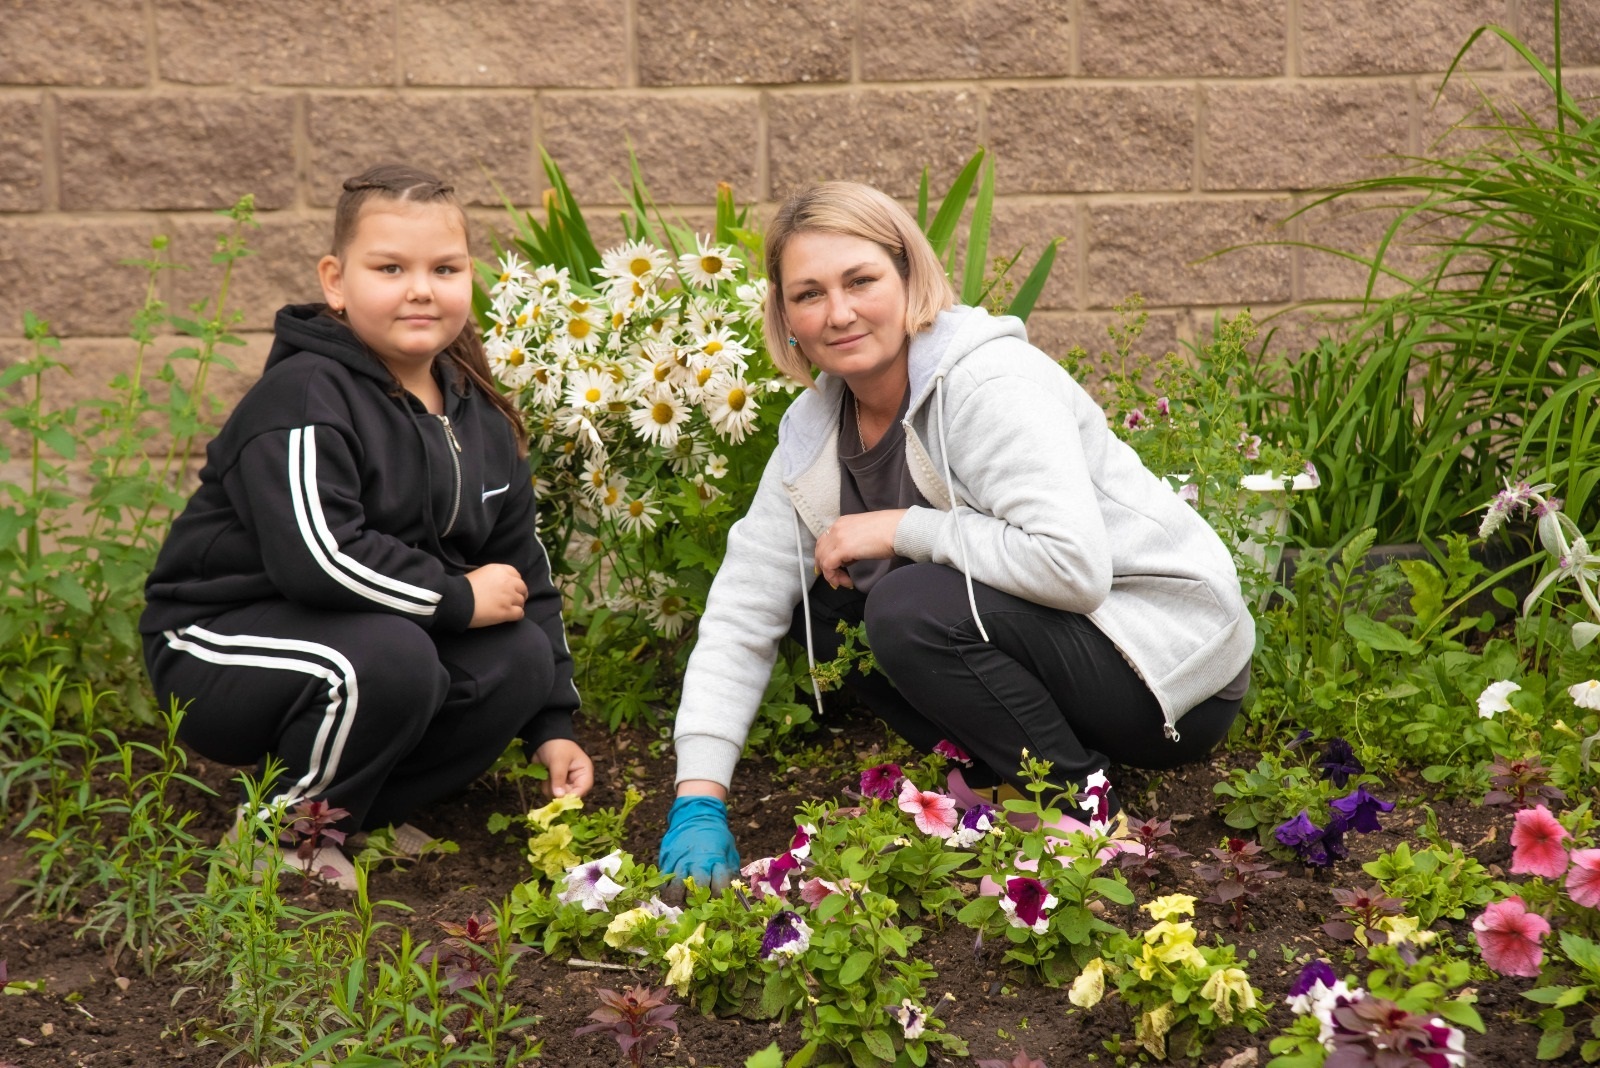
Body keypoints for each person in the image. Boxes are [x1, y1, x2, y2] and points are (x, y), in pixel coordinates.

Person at [658, 181, 1253, 890]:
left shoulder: (987, 383)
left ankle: (1076, 808)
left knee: (906, 601)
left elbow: (1074, 569)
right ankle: (1001, 777)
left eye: (861, 280)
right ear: (784, 315)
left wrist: (903, 527)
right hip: (1068, 658)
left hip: (1167, 678)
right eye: (808, 294)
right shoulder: (812, 431)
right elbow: (744, 606)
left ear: (910, 277)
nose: (839, 313)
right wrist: (698, 797)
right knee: (819, 595)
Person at [141, 163, 594, 888]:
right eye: (390, 267)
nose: (421, 287)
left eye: (445, 267)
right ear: (335, 280)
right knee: (392, 658)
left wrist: (552, 725)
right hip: (218, 644)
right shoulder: (303, 395)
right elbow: (317, 559)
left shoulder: (477, 412)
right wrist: (455, 597)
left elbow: (521, 568)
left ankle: (354, 816)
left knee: (516, 658)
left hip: (361, 632)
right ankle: (282, 838)